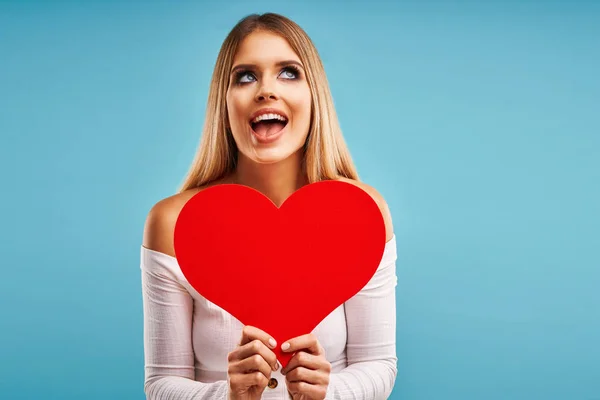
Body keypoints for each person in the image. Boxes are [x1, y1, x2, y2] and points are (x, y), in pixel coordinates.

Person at [141, 12, 398, 400]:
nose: (266, 90)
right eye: (245, 76)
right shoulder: (173, 222)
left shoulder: (362, 214)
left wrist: (328, 391)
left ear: (315, 95)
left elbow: (379, 365)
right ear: (223, 102)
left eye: (289, 73)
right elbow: (160, 384)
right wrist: (228, 394)